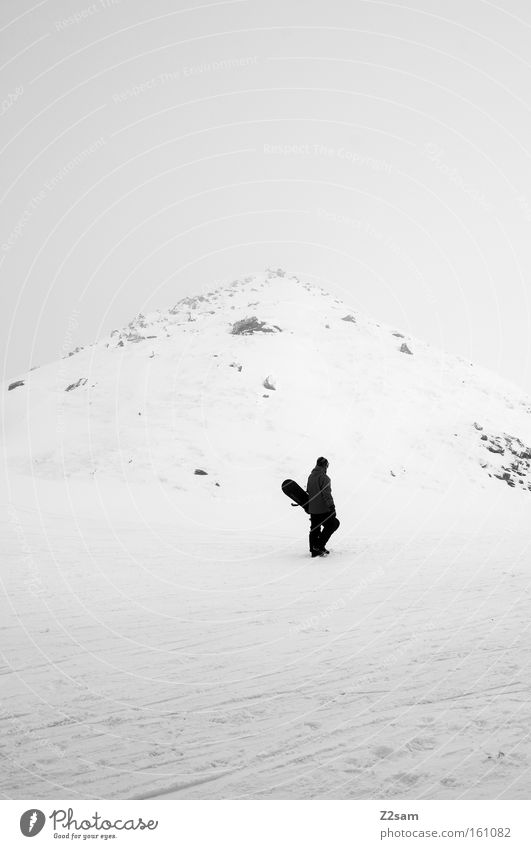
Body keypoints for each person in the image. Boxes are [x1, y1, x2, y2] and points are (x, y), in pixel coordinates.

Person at [306, 457, 340, 557]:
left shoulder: (311, 476)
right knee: (334, 524)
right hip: (322, 509)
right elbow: (327, 494)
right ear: (325, 466)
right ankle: (319, 545)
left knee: (315, 528)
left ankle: (314, 550)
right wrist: (332, 507)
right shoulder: (324, 478)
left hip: (312, 509)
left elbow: (309, 490)